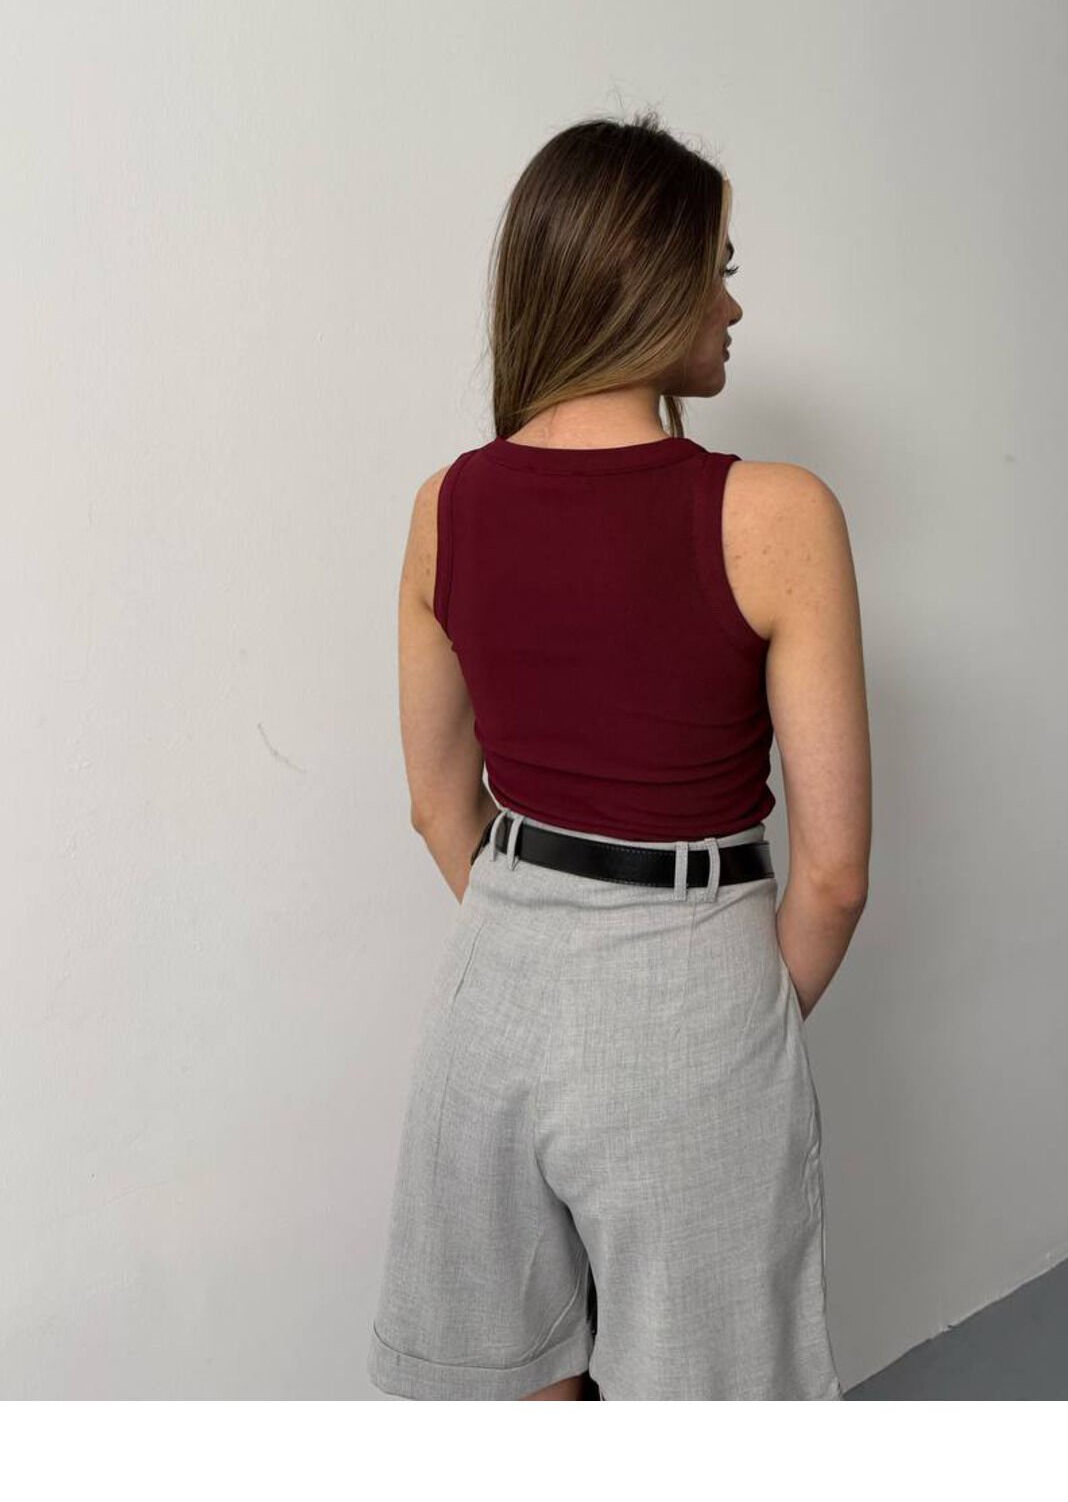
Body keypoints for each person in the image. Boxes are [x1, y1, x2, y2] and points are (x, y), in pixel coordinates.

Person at [366, 109, 872, 1401]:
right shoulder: (776, 513)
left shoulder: (445, 505)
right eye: (719, 271)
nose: (732, 309)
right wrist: (739, 1023)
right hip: (688, 982)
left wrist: (539, 942)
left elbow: (436, 805)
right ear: (645, 278)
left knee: (514, 1390)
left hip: (492, 986)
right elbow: (833, 878)